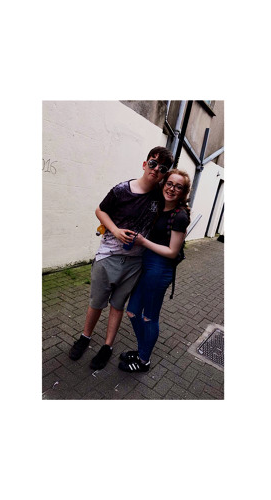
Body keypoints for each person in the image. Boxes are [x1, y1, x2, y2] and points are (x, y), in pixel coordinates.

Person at [68, 146, 173, 370]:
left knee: (118, 306)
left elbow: (177, 198)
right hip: (108, 256)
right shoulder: (122, 190)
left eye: (162, 168)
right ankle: (85, 337)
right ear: (144, 164)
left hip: (135, 262)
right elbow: (100, 210)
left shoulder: (160, 195)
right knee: (96, 303)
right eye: (153, 163)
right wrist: (115, 231)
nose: (156, 169)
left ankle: (107, 346)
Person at [118, 169, 191, 373]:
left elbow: (172, 251)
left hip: (159, 270)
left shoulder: (180, 216)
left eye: (178, 187)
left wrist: (143, 242)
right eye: (169, 183)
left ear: (183, 192)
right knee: (132, 311)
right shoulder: (159, 207)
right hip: (147, 266)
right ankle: (142, 349)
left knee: (149, 317)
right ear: (164, 184)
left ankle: (144, 360)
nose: (172, 189)